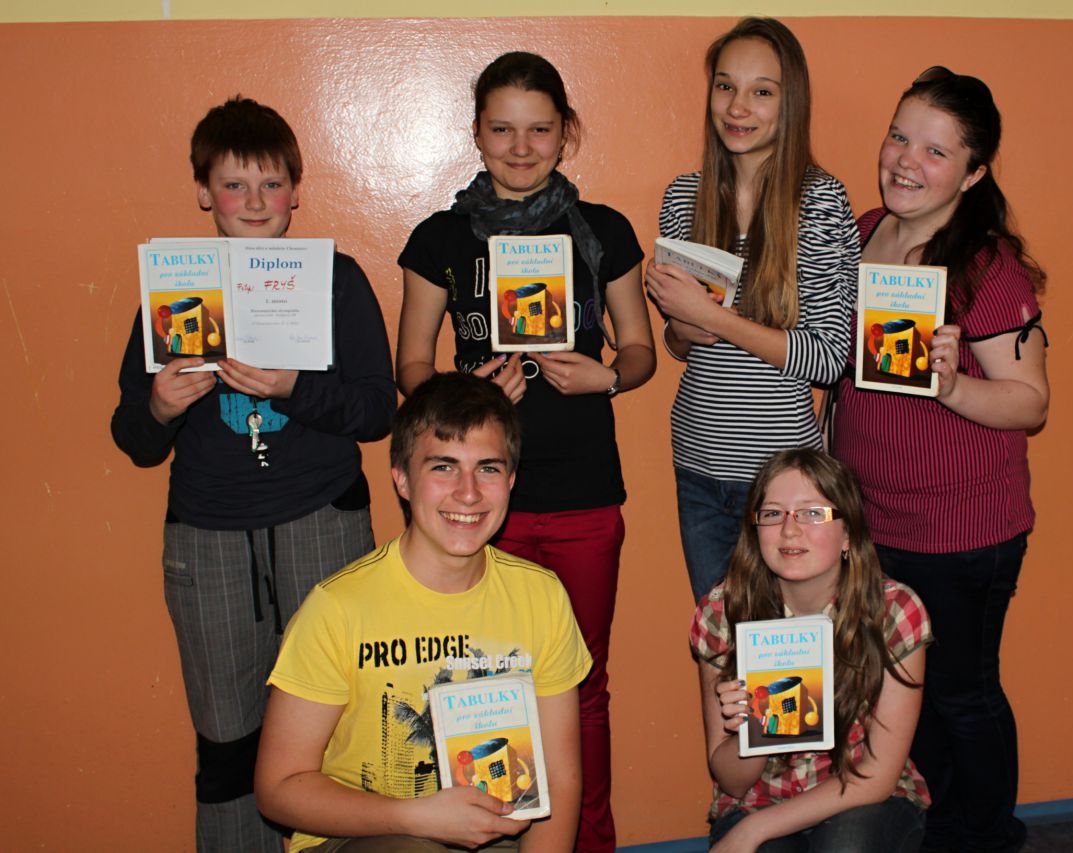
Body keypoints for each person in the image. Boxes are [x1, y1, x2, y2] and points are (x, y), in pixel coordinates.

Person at [109, 97, 396, 851]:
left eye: (271, 184)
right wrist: (160, 407)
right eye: (234, 185)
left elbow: (377, 411)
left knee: (340, 732)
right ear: (204, 192)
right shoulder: (174, 290)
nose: (256, 201)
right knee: (228, 742)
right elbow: (133, 439)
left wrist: (295, 388)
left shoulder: (335, 280)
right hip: (207, 540)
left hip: (324, 523)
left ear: (296, 190)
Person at [396, 51, 655, 852]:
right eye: (502, 129)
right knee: (478, 687)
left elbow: (641, 350)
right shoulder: (440, 237)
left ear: (565, 131)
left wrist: (608, 376)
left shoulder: (603, 230)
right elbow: (410, 366)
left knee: (581, 688)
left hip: (582, 495)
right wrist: (464, 389)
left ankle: (589, 842)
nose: (520, 147)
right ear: (476, 133)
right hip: (474, 504)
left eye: (539, 129)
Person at [830, 67, 1050, 853]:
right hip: (873, 521)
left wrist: (953, 387)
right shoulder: (865, 232)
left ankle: (984, 836)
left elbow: (1030, 401)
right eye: (899, 136)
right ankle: (927, 830)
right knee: (899, 691)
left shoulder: (988, 267)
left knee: (960, 695)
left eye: (934, 150)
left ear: (974, 171)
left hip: (963, 531)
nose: (904, 160)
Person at [256, 371, 592, 852]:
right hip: (362, 834)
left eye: (488, 468)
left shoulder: (542, 596)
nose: (469, 493)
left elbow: (560, 778)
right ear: (402, 480)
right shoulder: (338, 609)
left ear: (511, 480)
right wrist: (416, 816)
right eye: (444, 467)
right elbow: (279, 788)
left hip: (496, 829)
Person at [645, 17, 858, 603]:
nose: (738, 107)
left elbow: (828, 359)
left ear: (791, 103)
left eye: (762, 91)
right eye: (725, 86)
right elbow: (681, 343)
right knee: (721, 644)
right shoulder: (683, 196)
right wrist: (682, 324)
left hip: (785, 484)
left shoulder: (820, 200)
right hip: (697, 464)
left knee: (785, 651)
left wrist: (713, 317)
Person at [690, 448, 931, 852]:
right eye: (772, 514)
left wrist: (753, 831)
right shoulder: (722, 613)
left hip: (863, 795)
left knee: (845, 845)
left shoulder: (893, 610)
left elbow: (878, 774)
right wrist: (755, 728)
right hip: (759, 798)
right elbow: (732, 780)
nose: (789, 530)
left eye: (812, 513)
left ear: (848, 533)